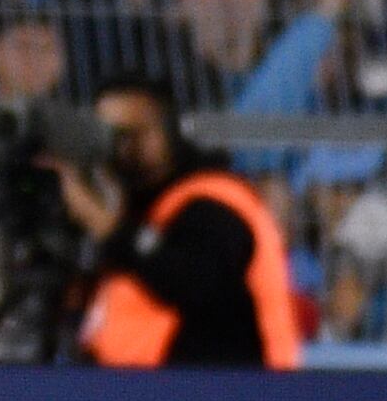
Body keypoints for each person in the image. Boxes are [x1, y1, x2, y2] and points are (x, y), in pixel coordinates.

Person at [68, 81, 300, 370]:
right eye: (107, 135)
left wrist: (110, 229)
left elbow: (192, 282)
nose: (119, 148)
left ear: (170, 132)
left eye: (133, 134)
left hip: (224, 398)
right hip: (139, 397)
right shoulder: (141, 208)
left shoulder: (214, 201)